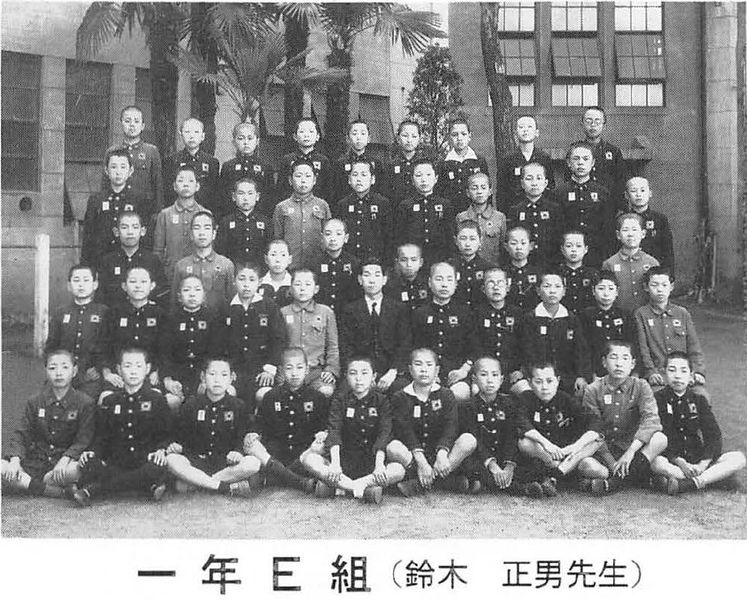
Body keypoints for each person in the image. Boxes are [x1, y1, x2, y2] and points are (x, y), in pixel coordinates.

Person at [73, 347, 171, 506]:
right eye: (127, 366)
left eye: (138, 366)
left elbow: (165, 433)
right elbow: (102, 436)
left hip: (144, 460)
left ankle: (94, 490)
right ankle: (145, 485)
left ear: (147, 369)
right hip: (117, 462)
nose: (133, 371)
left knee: (157, 466)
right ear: (119, 369)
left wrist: (161, 449)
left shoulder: (156, 399)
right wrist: (92, 451)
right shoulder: (110, 401)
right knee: (89, 463)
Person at [303, 357, 405, 503]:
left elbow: (384, 433)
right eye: (353, 373)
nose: (358, 378)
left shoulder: (382, 401)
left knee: (398, 469)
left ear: (374, 376)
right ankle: (358, 488)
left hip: (371, 461)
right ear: (346, 376)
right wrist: (335, 464)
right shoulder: (339, 400)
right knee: (310, 459)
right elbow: (334, 431)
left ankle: (345, 486)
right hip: (344, 461)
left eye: (364, 373)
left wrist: (379, 465)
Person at [578, 341, 666, 495]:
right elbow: (593, 430)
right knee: (587, 465)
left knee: (660, 439)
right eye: (613, 357)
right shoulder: (593, 390)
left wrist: (631, 451)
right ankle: (636, 476)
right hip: (604, 450)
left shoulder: (641, 386)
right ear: (604, 362)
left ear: (632, 364)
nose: (619, 363)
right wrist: (612, 463)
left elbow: (651, 420)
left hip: (633, 448)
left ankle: (615, 483)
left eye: (625, 358)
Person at [2, 349, 94, 498]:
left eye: (65, 367)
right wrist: (15, 460)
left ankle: (28, 484)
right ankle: (57, 492)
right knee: (3, 467)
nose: (58, 373)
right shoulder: (35, 401)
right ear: (46, 371)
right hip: (35, 462)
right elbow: (21, 434)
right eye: (52, 368)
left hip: (62, 465)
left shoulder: (85, 403)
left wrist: (65, 459)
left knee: (77, 470)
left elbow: (83, 440)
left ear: (74, 371)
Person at [651, 352, 745, 494]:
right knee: (657, 463)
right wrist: (680, 462)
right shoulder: (657, 399)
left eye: (683, 371)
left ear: (691, 376)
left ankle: (689, 483)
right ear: (664, 373)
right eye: (672, 370)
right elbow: (658, 436)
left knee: (738, 458)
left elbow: (713, 436)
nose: (677, 376)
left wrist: (703, 464)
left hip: (698, 458)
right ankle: (713, 478)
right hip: (672, 460)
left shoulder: (699, 400)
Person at [386, 348, 477, 496]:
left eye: (429, 365)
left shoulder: (446, 395)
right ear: (410, 369)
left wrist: (442, 453)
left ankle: (421, 483)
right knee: (392, 448)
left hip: (440, 455)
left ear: (437, 370)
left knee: (469, 440)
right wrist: (421, 462)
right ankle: (444, 481)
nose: (424, 369)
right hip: (414, 456)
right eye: (418, 364)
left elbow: (451, 427)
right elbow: (405, 431)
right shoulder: (400, 397)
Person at [165, 357, 259, 497]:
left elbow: (245, 434)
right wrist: (177, 446)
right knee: (172, 460)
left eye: (224, 375)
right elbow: (179, 435)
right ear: (203, 377)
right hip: (196, 462)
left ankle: (197, 483)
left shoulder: (238, 405)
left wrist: (238, 452)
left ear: (232, 378)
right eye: (212, 374)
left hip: (226, 464)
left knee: (253, 463)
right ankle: (223, 487)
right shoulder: (191, 405)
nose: (217, 380)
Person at [243, 347, 326, 494]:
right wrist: (253, 433)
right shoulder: (271, 396)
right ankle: (300, 482)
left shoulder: (317, 397)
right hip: (276, 454)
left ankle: (277, 476)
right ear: (281, 371)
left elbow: (323, 426)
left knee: (319, 446)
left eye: (299, 367)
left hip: (303, 455)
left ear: (307, 369)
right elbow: (260, 423)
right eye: (289, 368)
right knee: (252, 445)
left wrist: (322, 434)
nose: (294, 373)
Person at [516, 362, 603, 495]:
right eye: (538, 382)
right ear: (530, 382)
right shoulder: (525, 398)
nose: (545, 387)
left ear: (557, 381)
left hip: (568, 455)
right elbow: (521, 422)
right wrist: (547, 444)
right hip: (545, 455)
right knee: (525, 442)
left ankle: (557, 474)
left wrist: (575, 447)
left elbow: (594, 421)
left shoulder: (565, 399)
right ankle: (564, 475)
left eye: (549, 381)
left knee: (597, 443)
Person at [212, 262, 285, 411]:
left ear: (259, 282)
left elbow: (279, 339)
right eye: (241, 279)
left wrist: (270, 369)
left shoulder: (269, 306)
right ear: (234, 281)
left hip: (261, 369)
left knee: (264, 395)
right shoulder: (225, 308)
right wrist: (226, 370)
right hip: (233, 370)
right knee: (226, 393)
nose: (246, 285)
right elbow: (217, 343)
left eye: (252, 280)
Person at [339, 257, 412, 395]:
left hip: (391, 371)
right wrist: (363, 374)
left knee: (403, 391)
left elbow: (404, 344)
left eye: (377, 275)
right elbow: (346, 346)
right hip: (360, 371)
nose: (372, 280)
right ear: (360, 280)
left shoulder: (398, 308)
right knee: (344, 392)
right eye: (367, 275)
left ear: (384, 280)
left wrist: (393, 371)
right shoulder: (350, 310)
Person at [411, 262, 477, 402]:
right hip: (425, 372)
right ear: (430, 282)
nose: (444, 284)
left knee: (459, 394)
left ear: (455, 284)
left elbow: (475, 346)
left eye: (449, 279)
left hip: (457, 373)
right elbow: (414, 348)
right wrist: (427, 372)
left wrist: (464, 370)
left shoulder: (465, 313)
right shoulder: (419, 313)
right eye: (439, 279)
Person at [520, 269, 591, 397]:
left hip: (567, 377)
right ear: (538, 290)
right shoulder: (530, 319)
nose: (552, 291)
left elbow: (580, 350)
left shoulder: (571, 319)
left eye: (557, 287)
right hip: (539, 377)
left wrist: (581, 376)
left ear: (564, 291)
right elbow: (527, 351)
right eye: (547, 286)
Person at [634, 267, 706, 393]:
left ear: (671, 287)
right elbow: (643, 349)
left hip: (683, 373)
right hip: (659, 374)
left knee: (701, 396)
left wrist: (698, 371)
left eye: (664, 285)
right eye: (654, 285)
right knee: (656, 397)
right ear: (646, 287)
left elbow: (694, 347)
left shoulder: (682, 313)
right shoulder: (641, 314)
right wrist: (650, 372)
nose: (660, 289)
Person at [457, 357, 520, 495]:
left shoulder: (509, 404)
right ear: (474, 379)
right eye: (484, 375)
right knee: (469, 466)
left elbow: (512, 436)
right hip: (482, 458)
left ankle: (492, 483)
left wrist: (509, 466)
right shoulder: (468, 407)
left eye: (495, 375)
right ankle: (516, 487)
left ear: (502, 379)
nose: (490, 380)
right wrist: (492, 466)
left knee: (528, 464)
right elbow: (475, 439)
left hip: (503, 456)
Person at [45, 265, 108, 399]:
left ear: (95, 284)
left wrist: (98, 367)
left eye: (86, 280)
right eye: (76, 280)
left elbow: (108, 346)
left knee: (85, 403)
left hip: (92, 376)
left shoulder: (104, 312)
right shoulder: (60, 313)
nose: (81, 285)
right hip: (63, 374)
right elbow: (51, 347)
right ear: (69, 285)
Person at [102, 266, 166, 394]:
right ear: (124, 286)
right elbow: (104, 346)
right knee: (106, 397)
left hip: (150, 375)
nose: (138, 286)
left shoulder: (160, 315)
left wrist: (158, 372)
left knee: (161, 399)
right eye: (132, 281)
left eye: (143, 282)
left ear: (152, 285)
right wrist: (107, 373)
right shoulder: (114, 313)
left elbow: (165, 349)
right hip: (119, 376)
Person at [280, 269, 339, 398]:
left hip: (316, 371)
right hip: (289, 371)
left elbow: (333, 346)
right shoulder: (283, 313)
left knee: (325, 391)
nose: (302, 288)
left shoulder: (326, 312)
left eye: (307, 284)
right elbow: (278, 345)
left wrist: (331, 370)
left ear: (316, 289)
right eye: (297, 284)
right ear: (290, 288)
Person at [554, 141, 613, 268]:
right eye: (576, 159)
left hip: (595, 253)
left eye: (585, 159)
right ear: (569, 163)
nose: (580, 163)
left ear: (592, 163)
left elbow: (607, 228)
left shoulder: (602, 193)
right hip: (567, 255)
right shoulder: (559, 193)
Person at [160, 275, 216, 406]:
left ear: (204, 295)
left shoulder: (212, 318)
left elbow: (215, 352)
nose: (192, 294)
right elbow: (164, 352)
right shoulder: (170, 319)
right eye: (186, 290)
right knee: (171, 401)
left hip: (203, 375)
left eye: (197, 289)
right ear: (179, 296)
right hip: (177, 376)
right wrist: (168, 380)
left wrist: (207, 379)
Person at [83, 149, 143, 268]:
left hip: (129, 262)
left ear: (130, 171)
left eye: (123, 167)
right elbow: (88, 237)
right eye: (114, 167)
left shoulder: (138, 200)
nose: (118, 172)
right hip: (101, 261)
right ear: (106, 170)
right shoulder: (96, 200)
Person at [103, 105, 163, 224]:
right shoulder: (112, 151)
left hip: (144, 211)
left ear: (143, 125)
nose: (132, 125)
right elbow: (105, 184)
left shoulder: (151, 151)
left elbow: (158, 185)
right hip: (119, 209)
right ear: (121, 123)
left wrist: (157, 213)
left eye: (136, 121)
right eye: (127, 121)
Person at [153, 165, 210, 284]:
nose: (185, 184)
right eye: (181, 180)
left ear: (197, 186)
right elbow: (158, 251)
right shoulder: (165, 215)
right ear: (174, 186)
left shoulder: (204, 214)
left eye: (190, 181)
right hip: (171, 275)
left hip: (199, 276)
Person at [97, 211, 166, 307]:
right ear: (116, 232)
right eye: (124, 227)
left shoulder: (152, 260)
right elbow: (101, 294)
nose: (130, 232)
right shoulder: (107, 261)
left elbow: (160, 291)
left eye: (135, 227)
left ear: (143, 231)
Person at [273, 158, 332, 269]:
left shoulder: (323, 206)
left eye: (308, 176)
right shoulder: (281, 207)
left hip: (317, 265)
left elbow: (328, 237)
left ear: (314, 180)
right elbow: (277, 240)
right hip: (290, 266)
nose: (303, 180)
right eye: (298, 176)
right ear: (290, 180)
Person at [170, 211, 234, 312]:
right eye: (197, 228)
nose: (202, 233)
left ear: (214, 234)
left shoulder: (226, 265)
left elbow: (232, 300)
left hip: (218, 319)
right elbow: (174, 302)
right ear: (191, 234)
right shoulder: (181, 266)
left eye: (207, 228)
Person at [578, 271, 637, 379]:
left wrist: (634, 373)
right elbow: (582, 348)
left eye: (611, 289)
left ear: (617, 291)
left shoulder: (625, 315)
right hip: (595, 373)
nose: (606, 293)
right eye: (601, 288)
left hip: (622, 370)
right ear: (593, 291)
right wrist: (589, 375)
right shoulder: (585, 316)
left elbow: (633, 344)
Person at [395, 158, 455, 265]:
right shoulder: (405, 205)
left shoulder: (445, 204)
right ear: (412, 180)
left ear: (436, 178)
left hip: (440, 257)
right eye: (418, 175)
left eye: (428, 175)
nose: (423, 179)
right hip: (413, 259)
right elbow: (400, 236)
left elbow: (450, 235)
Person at [473, 267, 524, 392]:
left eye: (500, 283)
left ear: (508, 288)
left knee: (524, 389)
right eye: (491, 283)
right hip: (485, 372)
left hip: (511, 372)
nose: (496, 287)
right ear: (483, 289)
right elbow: (474, 346)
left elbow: (525, 345)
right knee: (475, 390)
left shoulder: (518, 314)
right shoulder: (477, 314)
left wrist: (521, 370)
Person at [333, 159, 394, 262]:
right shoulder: (342, 204)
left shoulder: (382, 203)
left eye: (364, 175)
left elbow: (388, 237)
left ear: (373, 179)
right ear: (349, 180)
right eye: (355, 175)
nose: (359, 179)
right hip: (349, 260)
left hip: (375, 260)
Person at [506, 162, 563, 266]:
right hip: (525, 263)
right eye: (529, 179)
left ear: (546, 183)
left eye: (539, 178)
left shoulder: (554, 209)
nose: (534, 183)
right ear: (522, 183)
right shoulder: (515, 210)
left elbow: (559, 238)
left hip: (550, 262)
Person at [602, 213, 660, 313]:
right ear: (618, 235)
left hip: (646, 316)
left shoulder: (652, 263)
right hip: (619, 315)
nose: (630, 234)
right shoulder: (609, 264)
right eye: (625, 230)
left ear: (643, 234)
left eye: (634, 230)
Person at [495, 115, 555, 211]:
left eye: (529, 127)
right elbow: (502, 192)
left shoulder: (544, 158)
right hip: (515, 210)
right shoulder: (507, 160)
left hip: (541, 210)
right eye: (521, 127)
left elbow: (550, 187)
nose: (525, 130)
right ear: (515, 133)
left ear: (537, 133)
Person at [573, 106, 626, 212]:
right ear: (582, 124)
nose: (593, 125)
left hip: (607, 205)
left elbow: (620, 182)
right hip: (581, 204)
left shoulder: (613, 151)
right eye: (589, 121)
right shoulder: (575, 150)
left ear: (604, 126)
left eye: (597, 122)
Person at [219, 121, 276, 218]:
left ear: (257, 141)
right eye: (241, 138)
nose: (246, 142)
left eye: (250, 138)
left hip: (259, 216)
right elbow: (223, 195)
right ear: (234, 142)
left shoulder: (265, 167)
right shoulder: (228, 166)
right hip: (233, 216)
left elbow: (269, 196)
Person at [164, 117, 220, 215]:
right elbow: (168, 192)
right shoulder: (171, 161)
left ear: (203, 136)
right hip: (179, 213)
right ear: (181, 135)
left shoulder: (211, 162)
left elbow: (215, 194)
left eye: (196, 132)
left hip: (204, 214)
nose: (192, 136)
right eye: (187, 132)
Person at [435, 118, 490, 214]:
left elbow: (487, 188)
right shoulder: (443, 163)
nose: (459, 138)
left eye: (463, 134)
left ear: (469, 136)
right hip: (451, 213)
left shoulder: (479, 161)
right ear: (449, 137)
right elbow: (439, 192)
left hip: (475, 213)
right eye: (454, 135)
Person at [215, 176, 271, 267]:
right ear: (234, 196)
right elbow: (220, 252)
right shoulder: (226, 222)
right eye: (241, 193)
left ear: (257, 196)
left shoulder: (266, 222)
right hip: (232, 269)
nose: (245, 198)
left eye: (250, 193)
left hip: (259, 270)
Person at [312, 218, 361, 317]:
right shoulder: (314, 263)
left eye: (338, 234)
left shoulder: (355, 263)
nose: (333, 239)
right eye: (328, 234)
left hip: (347, 316)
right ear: (322, 237)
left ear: (346, 238)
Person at [624, 176, 674, 272]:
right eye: (633, 191)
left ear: (650, 193)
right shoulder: (622, 220)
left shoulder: (660, 219)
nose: (638, 194)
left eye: (643, 190)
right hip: (628, 270)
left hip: (654, 271)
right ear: (627, 195)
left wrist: (668, 275)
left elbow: (668, 252)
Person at [456, 172, 506, 266]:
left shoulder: (499, 217)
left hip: (493, 268)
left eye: (483, 188)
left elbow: (503, 248)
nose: (479, 192)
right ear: (468, 193)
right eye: (474, 188)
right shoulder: (461, 218)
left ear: (490, 191)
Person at [277, 118, 332, 202]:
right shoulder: (288, 160)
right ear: (295, 136)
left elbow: (328, 189)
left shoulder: (323, 160)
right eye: (302, 132)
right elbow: (281, 188)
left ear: (317, 136)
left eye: (311, 132)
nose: (306, 135)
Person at [384, 120, 434, 210]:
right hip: (396, 211)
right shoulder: (391, 164)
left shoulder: (426, 164)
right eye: (405, 136)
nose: (409, 140)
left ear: (419, 139)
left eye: (414, 136)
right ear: (398, 138)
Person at [330, 120, 385, 202]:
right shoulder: (340, 163)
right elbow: (336, 191)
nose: (359, 137)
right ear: (348, 138)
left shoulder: (376, 163)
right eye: (354, 134)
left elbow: (380, 189)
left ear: (369, 138)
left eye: (363, 133)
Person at [449, 220, 495, 309]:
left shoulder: (489, 268)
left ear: (480, 241)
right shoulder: (449, 267)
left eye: (472, 239)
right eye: (463, 238)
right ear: (456, 241)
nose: (467, 244)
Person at [557, 230, 597, 315]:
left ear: (585, 249)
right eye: (569, 246)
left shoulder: (593, 274)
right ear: (562, 249)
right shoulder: (556, 274)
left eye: (578, 246)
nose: (574, 250)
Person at [383, 243, 430, 314]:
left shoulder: (428, 285)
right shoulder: (390, 287)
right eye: (404, 260)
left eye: (413, 260)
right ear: (397, 262)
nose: (409, 264)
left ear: (421, 262)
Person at [503, 225, 541, 312]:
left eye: (523, 243)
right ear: (506, 247)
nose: (518, 247)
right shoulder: (502, 273)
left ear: (531, 246)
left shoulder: (538, 273)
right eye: (513, 243)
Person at [258, 239, 293, 308]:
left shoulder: (294, 285)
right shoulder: (258, 284)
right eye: (273, 255)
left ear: (290, 259)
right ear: (266, 259)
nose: (278, 260)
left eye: (283, 255)